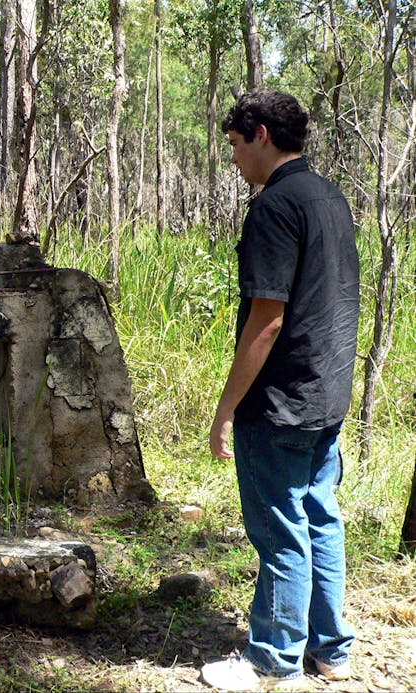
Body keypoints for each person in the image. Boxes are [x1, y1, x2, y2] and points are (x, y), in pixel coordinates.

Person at [200, 89, 359, 691]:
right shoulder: (331, 197)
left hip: (282, 400)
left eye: (238, 146)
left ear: (262, 135)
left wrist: (226, 407)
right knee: (320, 518)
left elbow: (266, 319)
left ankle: (272, 658)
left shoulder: (274, 206)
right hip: (327, 392)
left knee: (281, 529)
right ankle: (331, 649)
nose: (236, 160)